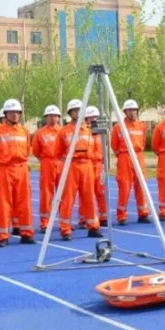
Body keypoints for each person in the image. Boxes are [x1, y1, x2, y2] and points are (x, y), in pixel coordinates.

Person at [0, 98, 35, 246]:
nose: (14, 115)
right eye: (11, 112)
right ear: (5, 114)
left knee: (24, 202)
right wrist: (1, 165)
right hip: (4, 170)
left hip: (22, 169)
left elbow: (27, 151)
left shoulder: (25, 131)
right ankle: (3, 235)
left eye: (17, 112)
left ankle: (26, 233)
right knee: (3, 203)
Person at [56, 99, 101, 241]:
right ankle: (65, 229)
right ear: (70, 113)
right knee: (68, 199)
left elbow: (95, 149)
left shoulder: (90, 131)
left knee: (89, 198)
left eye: (80, 110)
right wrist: (69, 162)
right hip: (72, 166)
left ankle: (93, 227)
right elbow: (58, 152)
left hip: (87, 166)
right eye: (75, 110)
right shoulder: (64, 131)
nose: (78, 113)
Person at [111, 99, 151, 225]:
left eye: (134, 110)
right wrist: (123, 155)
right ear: (125, 112)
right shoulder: (118, 127)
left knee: (141, 186)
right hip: (125, 157)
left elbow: (143, 142)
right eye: (130, 110)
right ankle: (122, 216)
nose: (133, 113)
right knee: (124, 187)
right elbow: (114, 145)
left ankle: (143, 214)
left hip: (138, 157)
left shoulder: (142, 126)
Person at [32, 105, 63, 234]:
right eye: (50, 116)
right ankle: (44, 223)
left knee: (63, 193)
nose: (52, 118)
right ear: (46, 117)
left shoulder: (63, 131)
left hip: (60, 163)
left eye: (55, 116)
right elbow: (36, 150)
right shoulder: (40, 133)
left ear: (58, 117)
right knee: (46, 194)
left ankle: (64, 222)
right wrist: (45, 160)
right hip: (47, 163)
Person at [85, 105, 110, 227]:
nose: (93, 120)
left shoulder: (102, 134)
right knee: (87, 192)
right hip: (88, 165)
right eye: (90, 118)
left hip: (99, 165)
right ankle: (84, 218)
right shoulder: (85, 133)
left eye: (95, 118)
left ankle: (103, 217)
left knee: (101, 192)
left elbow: (106, 149)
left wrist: (105, 164)